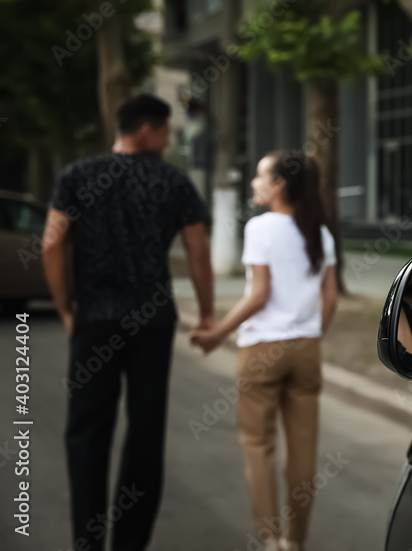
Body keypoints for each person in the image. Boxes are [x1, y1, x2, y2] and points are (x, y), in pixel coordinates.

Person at [42, 94, 214, 550]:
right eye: (164, 130)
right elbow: (198, 250)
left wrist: (65, 307)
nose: (167, 138)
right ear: (145, 130)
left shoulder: (77, 176)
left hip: (95, 317)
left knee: (86, 433)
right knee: (145, 433)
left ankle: (87, 541)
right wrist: (209, 312)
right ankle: (130, 544)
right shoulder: (173, 182)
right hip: (152, 323)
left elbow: (51, 244)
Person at [190, 150, 338, 551]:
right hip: (307, 349)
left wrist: (217, 332)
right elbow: (330, 299)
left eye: (259, 176)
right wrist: (310, 334)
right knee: (303, 450)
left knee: (259, 445)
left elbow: (259, 295)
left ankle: (269, 540)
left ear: (278, 186)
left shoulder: (260, 228)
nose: (254, 184)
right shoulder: (320, 233)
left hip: (262, 350)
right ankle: (297, 540)